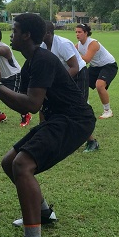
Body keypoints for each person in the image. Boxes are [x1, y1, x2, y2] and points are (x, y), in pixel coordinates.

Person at [0, 13, 95, 237]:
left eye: (14, 30)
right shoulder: (31, 62)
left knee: (22, 165)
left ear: (26, 35)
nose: (11, 34)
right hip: (57, 119)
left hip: (74, 120)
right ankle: (42, 213)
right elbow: (23, 104)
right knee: (9, 161)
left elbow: (31, 105)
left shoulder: (42, 59)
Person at [42, 21, 99, 152]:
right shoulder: (43, 45)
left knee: (77, 108)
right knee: (49, 105)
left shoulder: (62, 44)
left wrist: (57, 83)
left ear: (48, 33)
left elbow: (75, 67)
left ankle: (92, 141)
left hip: (78, 74)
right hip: (61, 76)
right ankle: (46, 138)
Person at [75, 23, 118, 119]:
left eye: (80, 32)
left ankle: (108, 111)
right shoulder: (78, 45)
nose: (77, 34)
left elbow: (86, 60)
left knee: (99, 85)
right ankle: (85, 106)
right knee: (80, 83)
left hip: (108, 65)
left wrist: (75, 56)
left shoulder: (93, 43)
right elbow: (70, 53)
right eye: (76, 32)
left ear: (86, 33)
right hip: (95, 67)